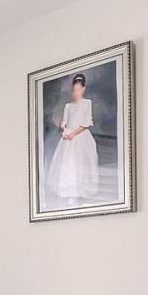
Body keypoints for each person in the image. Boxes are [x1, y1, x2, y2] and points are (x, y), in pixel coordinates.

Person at [44, 73, 100, 207]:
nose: (76, 93)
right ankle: (69, 194)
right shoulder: (68, 106)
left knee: (79, 165)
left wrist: (74, 133)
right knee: (68, 165)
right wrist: (65, 131)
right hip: (69, 137)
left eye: (79, 89)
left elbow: (86, 122)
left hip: (81, 136)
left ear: (83, 89)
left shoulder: (87, 103)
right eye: (74, 90)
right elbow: (65, 121)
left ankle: (78, 193)